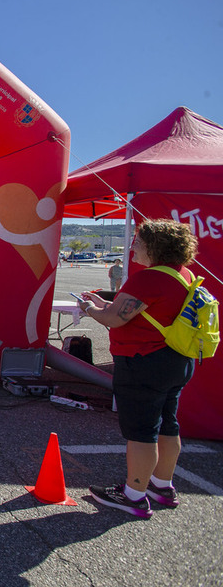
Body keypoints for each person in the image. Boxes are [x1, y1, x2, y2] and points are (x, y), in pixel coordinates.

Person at [76, 219, 199, 518]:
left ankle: (133, 494)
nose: (133, 246)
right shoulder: (183, 274)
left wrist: (89, 309)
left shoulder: (148, 278)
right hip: (176, 360)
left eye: (139, 242)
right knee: (168, 424)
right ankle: (162, 485)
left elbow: (116, 318)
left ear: (155, 246)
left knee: (142, 431)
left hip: (144, 361)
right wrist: (104, 303)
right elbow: (136, 310)